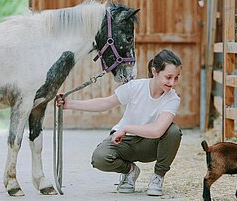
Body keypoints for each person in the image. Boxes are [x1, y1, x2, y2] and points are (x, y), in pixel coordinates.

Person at [57, 49, 183, 196]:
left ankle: (158, 177)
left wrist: (126, 128)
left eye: (176, 78)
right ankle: (130, 171)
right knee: (100, 158)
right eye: (168, 77)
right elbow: (105, 103)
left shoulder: (172, 98)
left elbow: (157, 131)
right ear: (154, 71)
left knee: (173, 131)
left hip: (151, 145)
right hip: (125, 142)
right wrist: (69, 104)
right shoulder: (136, 87)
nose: (172, 83)